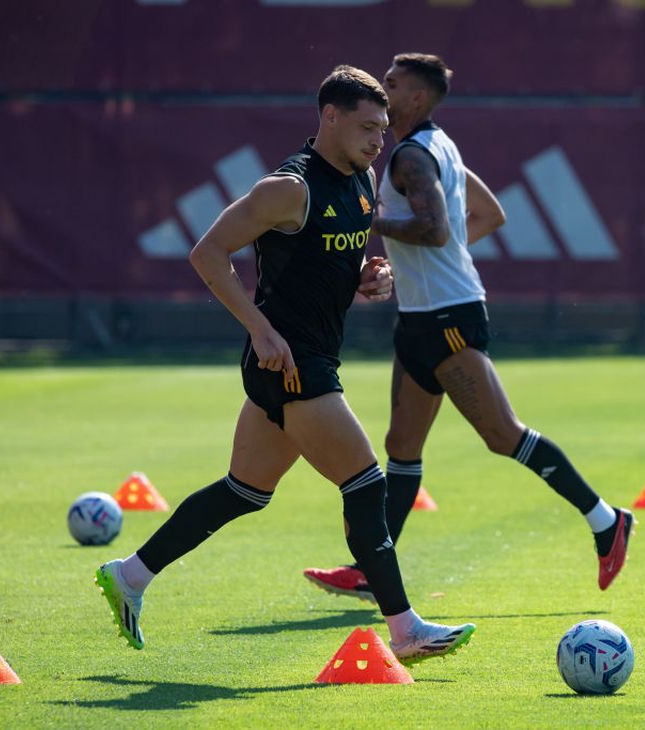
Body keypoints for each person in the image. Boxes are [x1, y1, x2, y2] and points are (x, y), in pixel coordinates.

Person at [94, 65, 475, 665]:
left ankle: (130, 575)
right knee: (366, 483)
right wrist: (260, 328)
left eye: (384, 127)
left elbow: (323, 274)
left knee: (243, 492)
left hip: (310, 355)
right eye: (368, 126)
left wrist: (366, 281)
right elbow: (207, 253)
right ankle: (404, 629)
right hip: (291, 365)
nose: (380, 138)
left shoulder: (363, 180)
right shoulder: (288, 188)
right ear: (330, 117)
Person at [304, 53, 633, 604]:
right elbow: (488, 216)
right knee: (401, 446)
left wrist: (370, 224)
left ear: (414, 99)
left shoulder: (411, 156)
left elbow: (434, 231)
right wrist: (424, 261)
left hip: (447, 317)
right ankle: (368, 570)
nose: (382, 88)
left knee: (503, 435)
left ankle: (606, 520)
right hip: (420, 316)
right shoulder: (437, 145)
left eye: (392, 83)